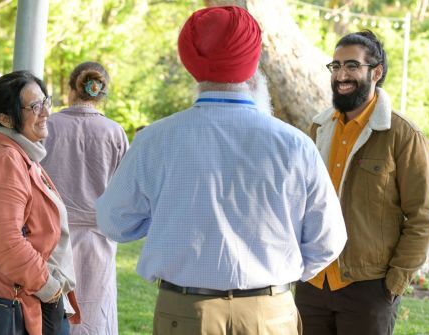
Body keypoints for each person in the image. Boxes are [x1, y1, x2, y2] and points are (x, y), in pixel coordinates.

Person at [96, 6, 347, 335]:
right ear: (254, 61)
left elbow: (114, 221)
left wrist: (158, 219)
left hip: (185, 311)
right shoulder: (295, 144)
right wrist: (276, 270)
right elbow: (329, 239)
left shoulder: (155, 140)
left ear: (190, 62)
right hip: (268, 310)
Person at [294, 30, 429, 335]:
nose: (341, 75)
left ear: (376, 72)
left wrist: (394, 285)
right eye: (335, 66)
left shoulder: (405, 136)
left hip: (369, 289)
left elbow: (423, 217)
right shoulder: (317, 127)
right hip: (313, 284)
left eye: (351, 66)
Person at [0, 70, 79, 335]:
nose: (46, 112)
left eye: (45, 101)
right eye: (35, 106)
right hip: (11, 302)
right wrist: (49, 288)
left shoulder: (19, 156)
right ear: (5, 118)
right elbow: (7, 243)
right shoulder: (7, 161)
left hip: (23, 297)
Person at [41, 61, 129, 335]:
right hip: (98, 238)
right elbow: (124, 189)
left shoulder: (48, 127)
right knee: (95, 313)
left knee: (52, 310)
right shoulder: (114, 132)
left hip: (51, 235)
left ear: (71, 88)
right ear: (102, 92)